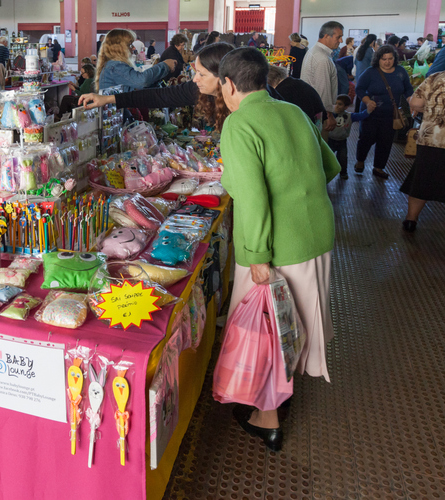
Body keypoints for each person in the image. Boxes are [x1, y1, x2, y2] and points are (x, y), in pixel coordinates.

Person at [217, 48, 339, 451]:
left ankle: (267, 418)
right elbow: (330, 167)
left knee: (267, 329)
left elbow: (252, 198)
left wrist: (257, 256)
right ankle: (279, 396)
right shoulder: (294, 111)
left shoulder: (239, 123)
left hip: (277, 245)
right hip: (315, 235)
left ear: (228, 84)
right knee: (293, 323)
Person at [81, 43, 246, 132]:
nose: (195, 79)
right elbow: (158, 96)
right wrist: (108, 99)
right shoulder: (198, 90)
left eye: (201, 74)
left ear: (223, 77)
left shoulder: (245, 106)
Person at [354, 44, 414, 179]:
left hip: (391, 115)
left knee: (385, 141)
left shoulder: (401, 72)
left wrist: (411, 101)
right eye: (384, 59)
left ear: (394, 59)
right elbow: (360, 88)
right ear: (378, 59)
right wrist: (367, 101)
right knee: (366, 138)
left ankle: (379, 167)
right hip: (370, 114)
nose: (387, 62)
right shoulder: (370, 72)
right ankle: (360, 160)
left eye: (390, 59)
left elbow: (408, 89)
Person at [400, 71, 445, 232]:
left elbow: (416, 103)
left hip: (430, 138)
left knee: (421, 178)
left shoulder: (435, 78)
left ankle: (411, 219)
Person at [95, 29, 174, 92]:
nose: (133, 48)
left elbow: (135, 87)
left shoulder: (112, 65)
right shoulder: (115, 66)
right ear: (119, 48)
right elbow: (142, 81)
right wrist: (165, 65)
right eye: (130, 45)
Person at [301, 21, 344, 131]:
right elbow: (323, 91)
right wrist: (328, 116)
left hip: (313, 110)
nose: (341, 41)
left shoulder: (315, 52)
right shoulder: (322, 58)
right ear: (326, 36)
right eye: (338, 37)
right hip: (320, 114)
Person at [328, 94, 370, 179]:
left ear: (346, 107)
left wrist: (369, 110)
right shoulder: (331, 115)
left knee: (343, 158)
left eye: (340, 104)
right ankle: (327, 172)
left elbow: (361, 116)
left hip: (342, 141)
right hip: (330, 140)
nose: (337, 106)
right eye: (336, 104)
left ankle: (343, 172)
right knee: (328, 158)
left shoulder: (350, 116)